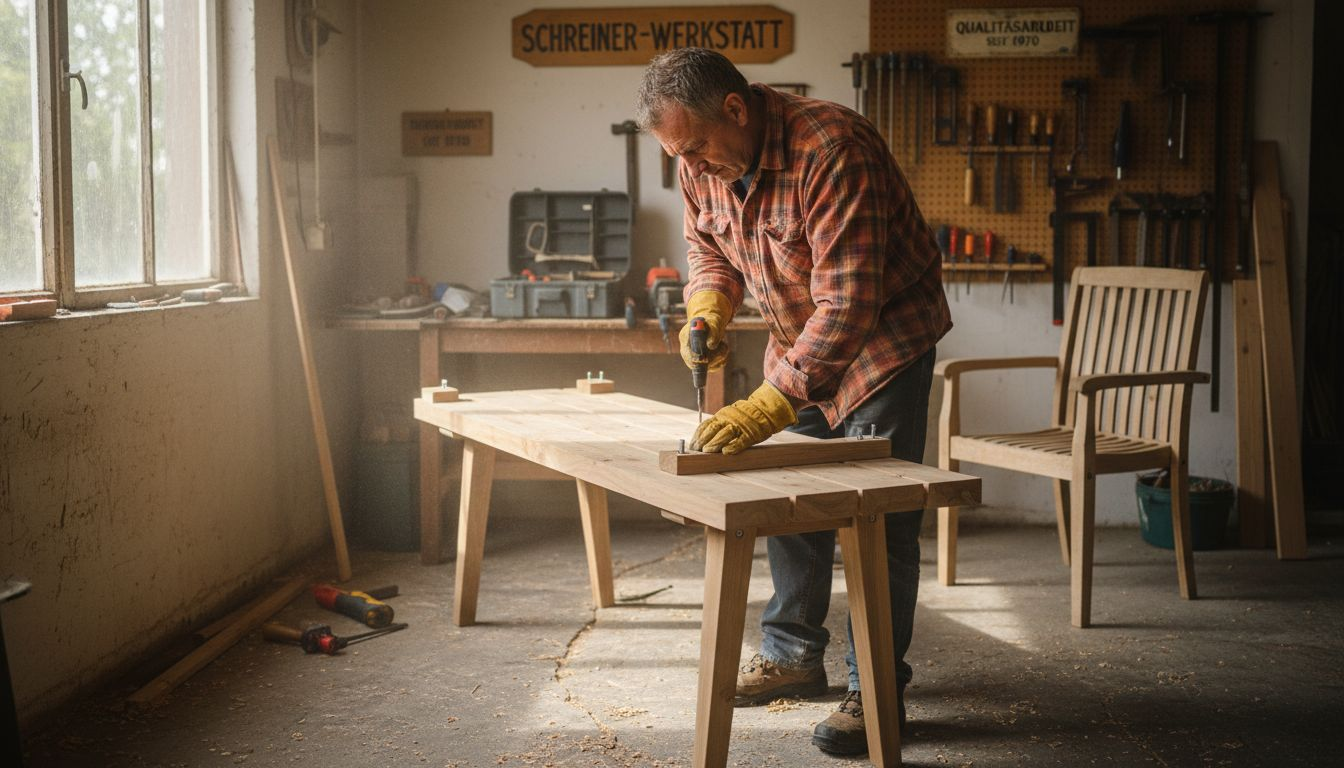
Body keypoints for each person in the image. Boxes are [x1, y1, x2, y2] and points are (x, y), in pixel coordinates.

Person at [635, 48, 952, 756]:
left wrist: (765, 407)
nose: (691, 165)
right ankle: (791, 655)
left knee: (878, 517)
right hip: (798, 339)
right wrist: (709, 305)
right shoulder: (696, 158)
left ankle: (874, 691)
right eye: (679, 155)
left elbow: (849, 304)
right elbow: (707, 249)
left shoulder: (832, 149)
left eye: (695, 149)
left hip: (883, 347)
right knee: (788, 501)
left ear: (736, 110)